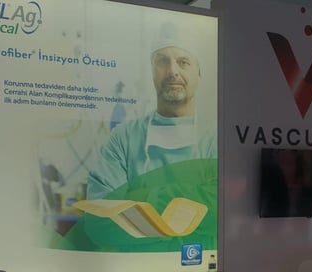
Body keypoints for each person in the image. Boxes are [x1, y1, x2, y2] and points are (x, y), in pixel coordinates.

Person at [87, 22, 216, 199]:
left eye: (183, 62)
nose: (172, 71)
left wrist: (139, 197)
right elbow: (102, 208)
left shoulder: (217, 141)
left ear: (199, 71)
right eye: (163, 61)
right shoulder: (123, 140)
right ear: (152, 70)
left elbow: (220, 206)